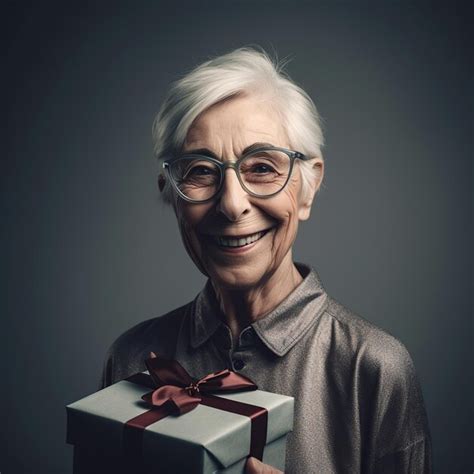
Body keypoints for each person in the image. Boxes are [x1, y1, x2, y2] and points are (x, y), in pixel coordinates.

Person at [100, 47, 433, 473]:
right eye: (201, 171)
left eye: (262, 167)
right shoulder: (131, 358)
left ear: (308, 188)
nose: (232, 204)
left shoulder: (374, 369)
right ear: (170, 192)